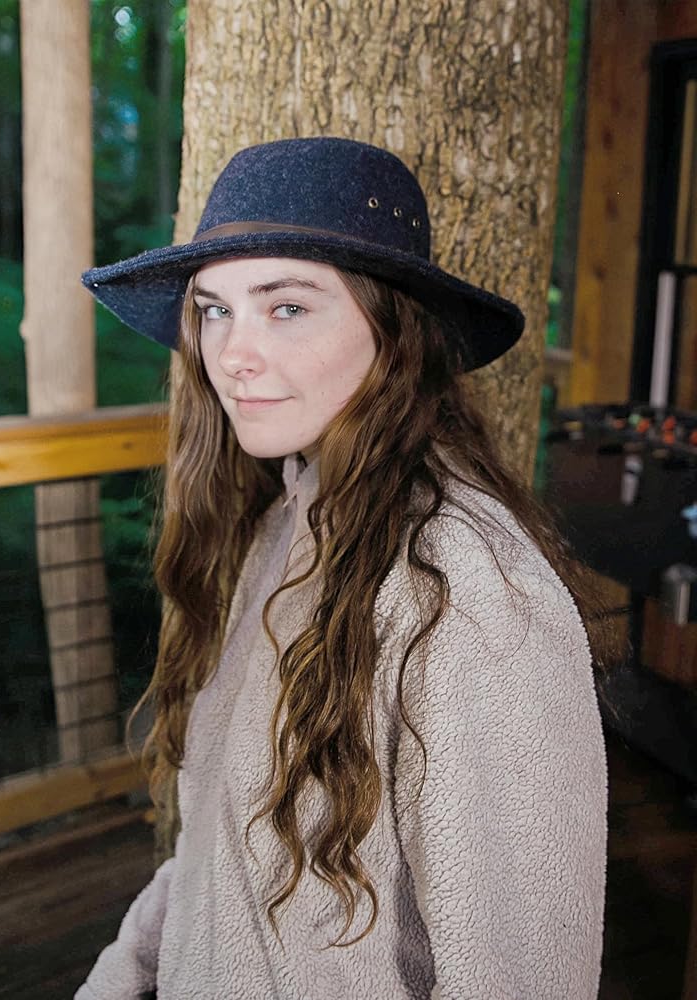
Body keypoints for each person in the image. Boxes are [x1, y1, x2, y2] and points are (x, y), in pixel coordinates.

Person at [76, 137, 611, 1000]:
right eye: (214, 310)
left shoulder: (471, 590)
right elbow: (216, 850)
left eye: (287, 306)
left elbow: (519, 975)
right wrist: (118, 980)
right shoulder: (285, 519)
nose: (232, 354)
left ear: (394, 331)